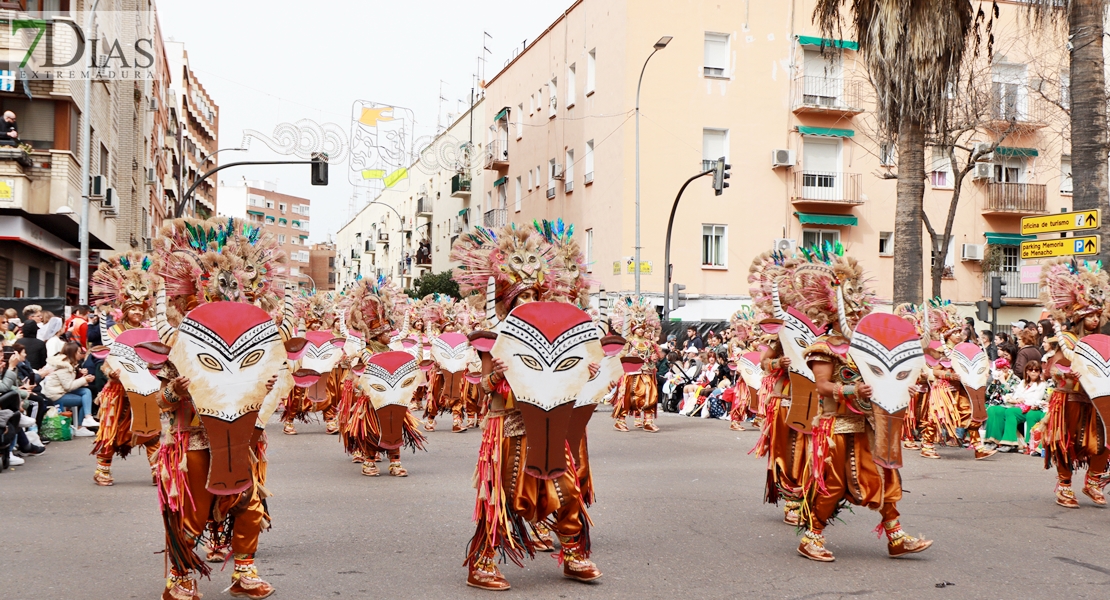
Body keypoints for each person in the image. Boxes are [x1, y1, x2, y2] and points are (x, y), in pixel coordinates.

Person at [453, 223, 602, 589]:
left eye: (535, 296)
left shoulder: (556, 337)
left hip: (548, 419)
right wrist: (496, 374)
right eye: (522, 298)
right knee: (502, 496)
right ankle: (482, 562)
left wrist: (588, 370)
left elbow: (569, 383)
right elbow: (482, 391)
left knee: (567, 487)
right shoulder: (491, 341)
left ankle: (571, 552)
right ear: (507, 302)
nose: (530, 303)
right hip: (507, 425)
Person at [794, 244, 931, 562]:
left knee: (885, 476)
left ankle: (896, 536)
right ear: (832, 310)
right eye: (849, 308)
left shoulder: (868, 347)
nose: (855, 314)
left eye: (858, 309)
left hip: (870, 424)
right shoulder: (825, 346)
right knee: (833, 483)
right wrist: (851, 390)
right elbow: (823, 386)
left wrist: (900, 391)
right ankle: (812, 537)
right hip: (836, 426)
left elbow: (884, 380)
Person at [1039, 259, 1109, 508]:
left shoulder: (1102, 341)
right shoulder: (1066, 339)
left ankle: (1093, 481)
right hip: (1069, 398)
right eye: (1091, 316)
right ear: (1080, 317)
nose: (1095, 321)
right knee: (1066, 442)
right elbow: (1054, 368)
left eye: (1098, 316)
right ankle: (1065, 485)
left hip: (1097, 400)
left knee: (1103, 442)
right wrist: (1067, 375)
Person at [986, 360, 1048, 452]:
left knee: (1011, 412)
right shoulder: (1023, 382)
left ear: (1039, 372)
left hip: (1030, 407)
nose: (1033, 372)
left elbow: (1036, 399)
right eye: (1031, 369)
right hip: (1017, 405)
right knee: (994, 410)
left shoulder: (1042, 384)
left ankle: (1012, 442)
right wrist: (1017, 399)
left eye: (1036, 370)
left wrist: (1019, 400)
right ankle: (999, 441)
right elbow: (1014, 395)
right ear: (1027, 371)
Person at [41, 341, 98, 436]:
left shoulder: (66, 364)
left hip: (61, 390)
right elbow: (69, 386)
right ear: (73, 353)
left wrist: (81, 375)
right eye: (79, 352)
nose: (80, 355)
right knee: (85, 399)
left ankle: (87, 419)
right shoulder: (64, 367)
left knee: (86, 391)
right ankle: (81, 424)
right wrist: (84, 379)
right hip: (56, 394)